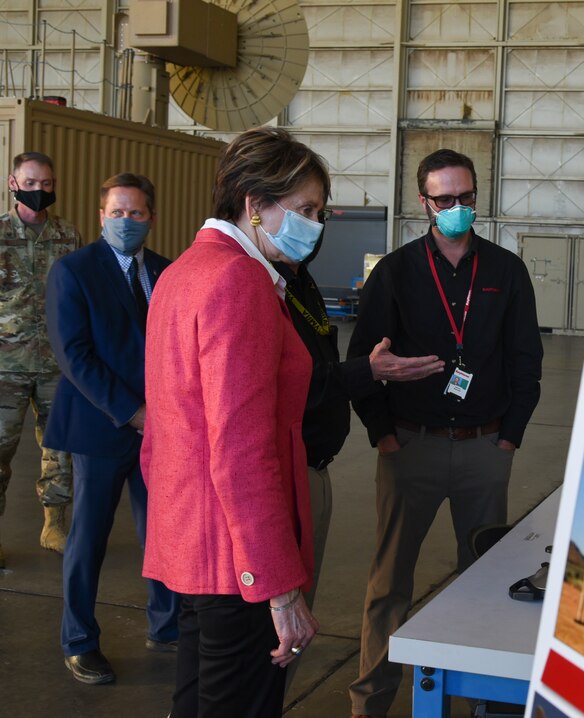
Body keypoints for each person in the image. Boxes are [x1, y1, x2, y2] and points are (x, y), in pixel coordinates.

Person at [346, 148, 544, 718]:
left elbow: (525, 360)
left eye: (465, 198)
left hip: (485, 448)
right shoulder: (396, 272)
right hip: (411, 447)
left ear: (476, 197)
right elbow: (365, 360)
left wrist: (509, 437)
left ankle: (484, 703)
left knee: (483, 584)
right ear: (424, 202)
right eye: (444, 200)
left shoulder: (506, 272)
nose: (456, 208)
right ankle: (370, 703)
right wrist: (383, 435)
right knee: (389, 585)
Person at [142, 127, 323, 717]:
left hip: (194, 540)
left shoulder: (184, 270)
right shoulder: (238, 280)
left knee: (197, 700)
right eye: (304, 210)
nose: (314, 226)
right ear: (254, 204)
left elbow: (169, 424)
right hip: (236, 557)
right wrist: (278, 584)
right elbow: (242, 447)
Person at [272, 233, 443, 691]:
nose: (312, 225)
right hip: (283, 470)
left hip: (316, 464)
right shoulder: (258, 284)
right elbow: (289, 383)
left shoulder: (299, 280)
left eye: (317, 213)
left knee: (297, 611)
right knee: (275, 623)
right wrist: (380, 423)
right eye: (301, 210)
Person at [44, 172, 179, 684]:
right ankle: (79, 640)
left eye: (136, 213)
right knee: (88, 538)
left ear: (151, 218)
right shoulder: (73, 271)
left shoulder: (167, 273)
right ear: (101, 216)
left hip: (162, 430)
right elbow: (73, 354)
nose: (127, 221)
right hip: (102, 427)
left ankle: (167, 626)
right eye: (117, 213)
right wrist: (132, 411)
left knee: (162, 533)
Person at [0, 152, 78, 566]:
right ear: (13, 184)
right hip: (5, 368)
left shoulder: (68, 236)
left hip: (55, 365)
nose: (39, 191)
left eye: (46, 184)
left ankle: (53, 525)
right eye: (31, 183)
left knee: (59, 450)